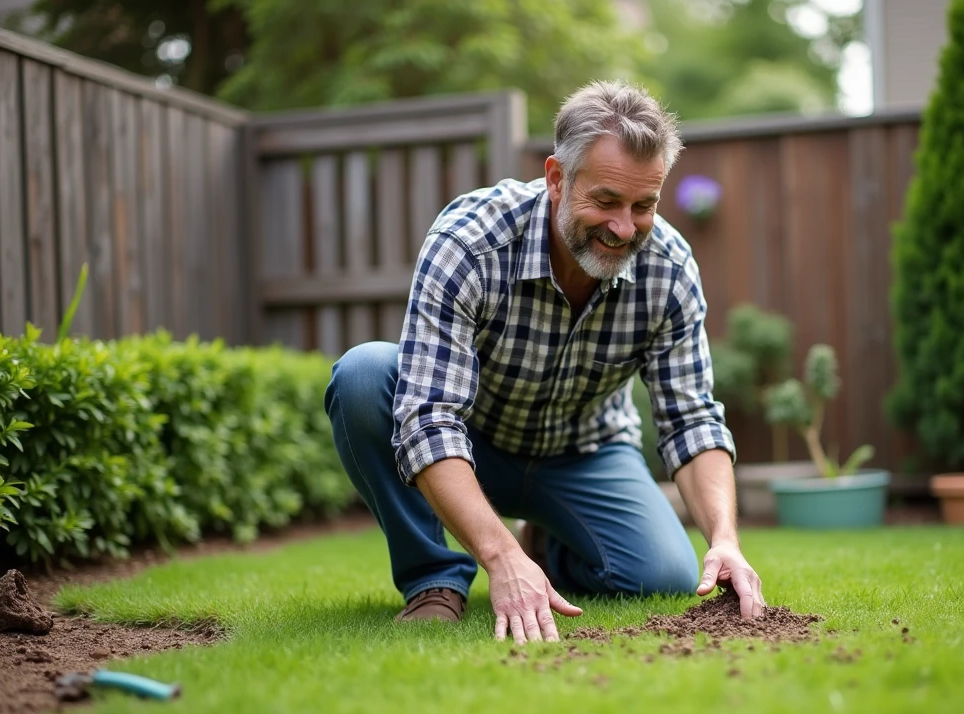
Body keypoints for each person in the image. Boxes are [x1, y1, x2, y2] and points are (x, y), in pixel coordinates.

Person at [323, 80, 766, 646]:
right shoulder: (471, 241)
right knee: (365, 375)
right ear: (557, 179)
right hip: (470, 443)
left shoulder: (670, 268)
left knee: (664, 575)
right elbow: (429, 417)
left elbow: (691, 419)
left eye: (643, 205)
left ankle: (545, 546)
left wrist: (724, 538)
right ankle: (434, 580)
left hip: (585, 451)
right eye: (605, 201)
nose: (624, 227)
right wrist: (496, 556)